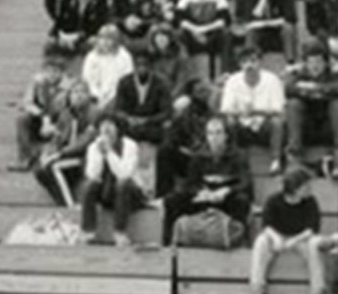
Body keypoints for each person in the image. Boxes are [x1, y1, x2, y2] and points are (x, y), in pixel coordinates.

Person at [161, 115, 252, 246]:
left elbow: (246, 182)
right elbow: (190, 183)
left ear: (226, 135)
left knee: (242, 201)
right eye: (210, 133)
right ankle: (169, 244)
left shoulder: (239, 155)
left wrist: (227, 191)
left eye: (218, 133)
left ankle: (238, 241)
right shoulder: (199, 156)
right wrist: (201, 192)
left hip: (226, 199)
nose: (214, 138)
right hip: (204, 198)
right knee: (172, 200)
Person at [250, 167, 323, 294]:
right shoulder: (273, 200)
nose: (310, 188)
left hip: (301, 239)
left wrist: (294, 240)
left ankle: (317, 291)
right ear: (296, 188)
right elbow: (266, 225)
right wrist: (276, 237)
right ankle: (257, 290)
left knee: (314, 245)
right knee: (261, 242)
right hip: (276, 237)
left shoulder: (311, 202)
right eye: (306, 186)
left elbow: (312, 229)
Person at [80, 115, 147, 246]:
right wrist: (100, 153)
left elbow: (124, 174)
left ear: (118, 128)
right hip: (107, 192)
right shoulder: (93, 147)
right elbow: (92, 174)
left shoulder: (129, 145)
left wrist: (109, 152)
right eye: (103, 124)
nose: (106, 128)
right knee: (89, 185)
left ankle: (120, 232)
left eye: (111, 124)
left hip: (130, 193)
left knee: (122, 184)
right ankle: (87, 232)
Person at [220, 45, 286, 175]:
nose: (249, 66)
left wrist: (256, 112)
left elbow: (279, 110)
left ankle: (275, 160)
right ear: (240, 65)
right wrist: (241, 113)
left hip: (264, 126)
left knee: (277, 122)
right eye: (245, 62)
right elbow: (226, 109)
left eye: (253, 61)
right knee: (229, 121)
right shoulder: (232, 81)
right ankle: (233, 159)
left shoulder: (272, 80)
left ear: (260, 62)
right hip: (242, 125)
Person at [33, 81, 96, 207]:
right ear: (69, 96)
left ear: (89, 96)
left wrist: (60, 154)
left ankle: (70, 206)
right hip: (66, 157)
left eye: (82, 92)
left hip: (83, 158)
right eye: (75, 92)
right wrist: (48, 152)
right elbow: (57, 138)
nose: (78, 95)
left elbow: (84, 141)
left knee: (53, 166)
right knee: (39, 170)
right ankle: (61, 203)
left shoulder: (94, 113)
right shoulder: (65, 114)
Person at [11, 54, 71, 172]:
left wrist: (52, 122)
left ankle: (52, 153)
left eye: (56, 71)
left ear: (62, 73)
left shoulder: (68, 86)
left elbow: (67, 107)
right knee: (22, 119)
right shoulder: (37, 82)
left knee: (65, 118)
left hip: (58, 118)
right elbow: (27, 102)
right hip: (40, 116)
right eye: (48, 71)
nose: (52, 75)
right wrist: (42, 116)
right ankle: (25, 156)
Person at [284, 42, 338, 173]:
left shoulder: (333, 76)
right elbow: (289, 89)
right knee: (293, 104)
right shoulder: (298, 75)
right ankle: (294, 156)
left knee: (336, 104)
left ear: (326, 63)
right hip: (306, 127)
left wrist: (315, 88)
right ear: (305, 64)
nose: (315, 66)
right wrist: (318, 92)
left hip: (329, 126)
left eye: (319, 62)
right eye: (311, 62)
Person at [175, 0, 232, 81]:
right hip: (193, 33)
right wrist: (194, 29)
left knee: (226, 34)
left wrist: (204, 29)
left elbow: (224, 20)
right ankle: (185, 73)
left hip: (212, 32)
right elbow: (179, 19)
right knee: (179, 35)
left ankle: (225, 71)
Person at [113, 49, 171, 148]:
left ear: (151, 66)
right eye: (138, 65)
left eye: (145, 65)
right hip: (129, 124)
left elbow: (166, 112)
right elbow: (118, 109)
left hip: (152, 124)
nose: (142, 68)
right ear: (134, 66)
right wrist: (128, 118)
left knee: (166, 129)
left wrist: (147, 120)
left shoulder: (161, 83)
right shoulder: (124, 82)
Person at [80, 24, 134, 112]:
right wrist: (97, 96)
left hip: (117, 98)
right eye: (102, 38)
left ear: (116, 40)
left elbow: (127, 80)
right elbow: (87, 80)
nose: (104, 42)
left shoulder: (125, 56)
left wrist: (111, 98)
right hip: (95, 98)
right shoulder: (92, 56)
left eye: (109, 39)